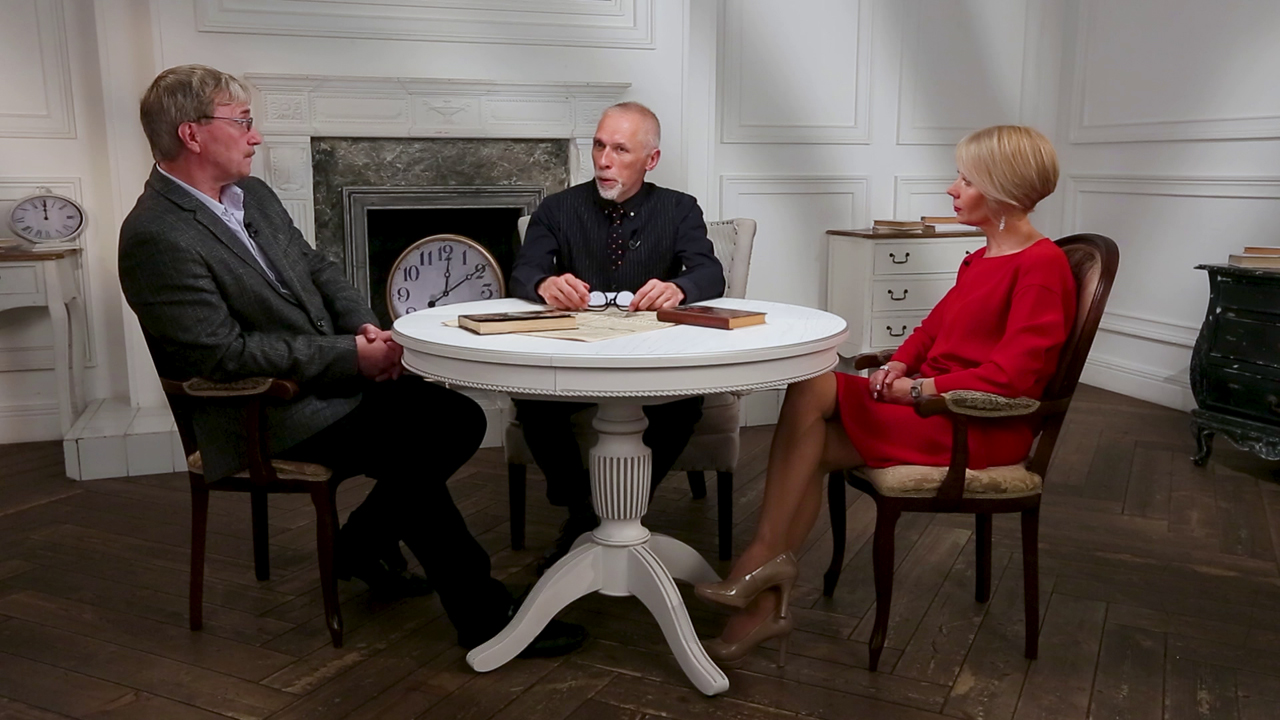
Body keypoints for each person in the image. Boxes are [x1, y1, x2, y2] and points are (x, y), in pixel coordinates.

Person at [118, 64, 584, 656]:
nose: (255, 135)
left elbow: (316, 266)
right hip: (265, 411)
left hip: (324, 381)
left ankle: (359, 546)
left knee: (458, 418)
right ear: (192, 134)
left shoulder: (252, 196)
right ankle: (485, 616)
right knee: (412, 445)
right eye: (242, 121)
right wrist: (351, 359)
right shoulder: (155, 234)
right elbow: (222, 354)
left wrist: (364, 327)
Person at [693, 125, 1076, 666]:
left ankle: (759, 565)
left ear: (1002, 190)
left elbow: (1011, 376)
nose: (952, 189)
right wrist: (899, 363)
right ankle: (762, 601)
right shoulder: (980, 258)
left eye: (966, 180)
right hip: (936, 409)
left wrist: (918, 389)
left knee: (813, 386)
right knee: (811, 434)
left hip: (976, 424)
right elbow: (932, 330)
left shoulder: (1041, 266)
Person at [509, 102, 725, 571]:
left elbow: (710, 273)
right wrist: (544, 283)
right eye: (599, 146)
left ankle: (621, 506)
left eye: (620, 150)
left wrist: (680, 288)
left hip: (652, 360)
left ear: (651, 160)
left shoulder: (679, 208)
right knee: (530, 398)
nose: (604, 161)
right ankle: (583, 509)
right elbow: (523, 271)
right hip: (575, 359)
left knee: (685, 405)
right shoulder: (558, 208)